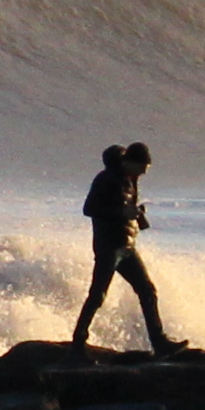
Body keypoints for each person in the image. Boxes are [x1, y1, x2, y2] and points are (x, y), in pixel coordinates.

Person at [67, 140, 170, 351]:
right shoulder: (106, 178)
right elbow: (89, 209)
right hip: (109, 246)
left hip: (128, 246)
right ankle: (78, 343)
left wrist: (135, 214)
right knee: (98, 295)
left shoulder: (130, 179)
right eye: (142, 167)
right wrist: (122, 213)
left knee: (148, 290)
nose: (143, 172)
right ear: (130, 162)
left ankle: (159, 343)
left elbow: (124, 205)